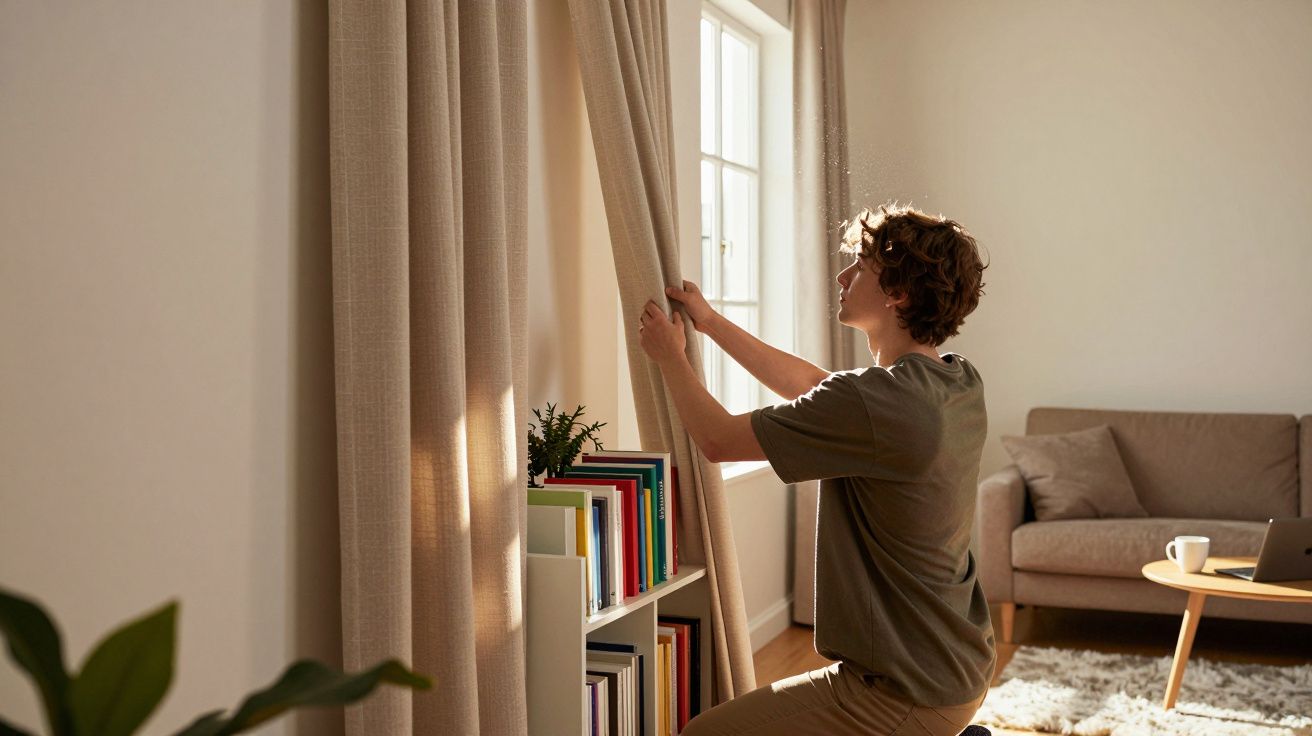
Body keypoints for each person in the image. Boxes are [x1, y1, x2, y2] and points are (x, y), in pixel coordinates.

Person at [636, 201, 993, 735]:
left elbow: (716, 440)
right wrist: (710, 323)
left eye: (862, 268)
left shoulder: (874, 403)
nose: (843, 275)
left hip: (905, 692)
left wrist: (671, 358)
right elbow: (814, 386)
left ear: (896, 294)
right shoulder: (955, 383)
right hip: (956, 666)